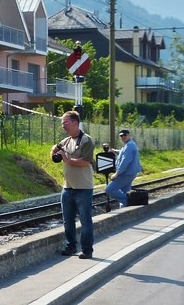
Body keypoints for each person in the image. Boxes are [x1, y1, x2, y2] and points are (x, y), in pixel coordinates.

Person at [51, 110, 96, 258]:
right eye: (62, 123)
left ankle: (87, 250)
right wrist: (54, 152)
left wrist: (67, 159)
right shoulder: (66, 141)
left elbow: (85, 162)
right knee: (67, 220)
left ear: (75, 122)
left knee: (85, 220)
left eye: (66, 122)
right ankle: (71, 246)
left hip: (83, 188)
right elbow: (55, 151)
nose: (63, 126)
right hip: (67, 188)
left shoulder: (87, 140)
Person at [104, 128, 142, 208]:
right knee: (125, 192)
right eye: (121, 135)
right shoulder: (129, 145)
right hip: (129, 173)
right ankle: (126, 209)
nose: (123, 137)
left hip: (126, 174)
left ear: (129, 135)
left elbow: (125, 161)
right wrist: (115, 151)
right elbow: (123, 152)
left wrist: (117, 174)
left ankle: (130, 202)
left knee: (109, 189)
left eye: (125, 135)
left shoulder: (129, 145)